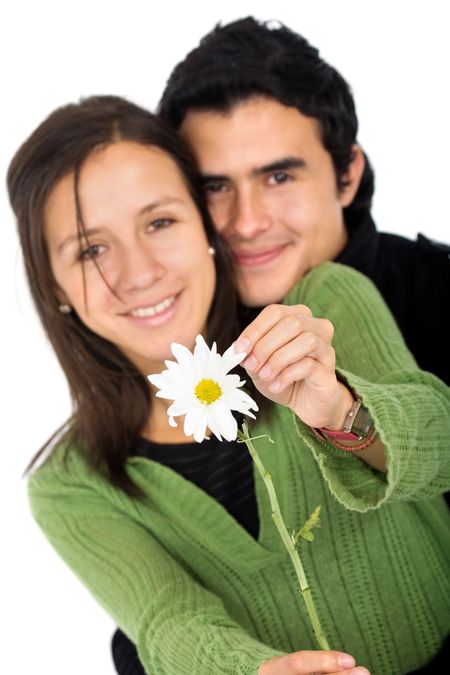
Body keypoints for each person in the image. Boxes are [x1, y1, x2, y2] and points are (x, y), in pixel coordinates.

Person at [8, 96, 450, 675]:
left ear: (207, 229)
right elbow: (165, 618)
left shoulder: (323, 304)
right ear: (55, 287)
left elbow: (439, 444)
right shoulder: (70, 487)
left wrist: (341, 409)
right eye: (91, 249)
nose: (139, 273)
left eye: (160, 222)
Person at [157, 16, 450, 388]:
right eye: (215, 186)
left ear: (347, 175)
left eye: (279, 178)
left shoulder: (441, 296)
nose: (246, 223)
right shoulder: (165, 326)